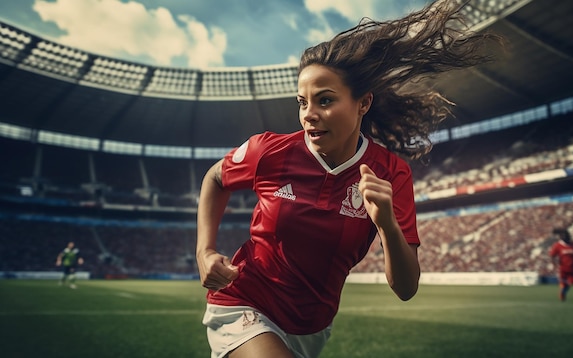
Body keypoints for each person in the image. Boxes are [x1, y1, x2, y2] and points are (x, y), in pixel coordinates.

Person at [196, 1, 503, 357]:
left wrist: (386, 224)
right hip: (244, 304)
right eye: (302, 102)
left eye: (324, 100)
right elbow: (215, 178)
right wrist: (205, 251)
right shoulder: (269, 151)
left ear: (363, 103)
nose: (309, 115)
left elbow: (406, 288)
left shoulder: (391, 173)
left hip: (312, 328)